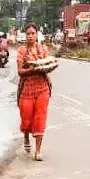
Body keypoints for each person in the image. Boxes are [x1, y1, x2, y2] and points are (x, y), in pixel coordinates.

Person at [17, 23, 56, 161]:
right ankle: (26, 136)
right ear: (25, 36)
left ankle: (38, 150)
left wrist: (47, 66)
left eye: (33, 33)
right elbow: (20, 71)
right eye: (28, 34)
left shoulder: (43, 49)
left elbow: (48, 64)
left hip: (42, 88)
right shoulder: (22, 51)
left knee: (40, 118)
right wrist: (32, 70)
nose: (31, 36)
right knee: (26, 119)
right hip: (27, 90)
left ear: (37, 34)